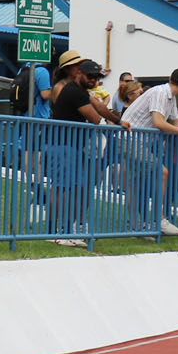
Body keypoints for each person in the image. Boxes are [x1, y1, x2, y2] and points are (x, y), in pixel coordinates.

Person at [118, 66, 178, 234]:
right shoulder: (160, 93)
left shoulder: (170, 97)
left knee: (134, 183)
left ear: (171, 78)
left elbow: (175, 121)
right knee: (162, 172)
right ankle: (160, 220)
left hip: (135, 141)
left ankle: (137, 227)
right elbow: (158, 122)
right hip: (132, 140)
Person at [46, 53, 103, 245]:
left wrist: (118, 120)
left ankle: (67, 228)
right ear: (71, 69)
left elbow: (96, 107)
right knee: (62, 187)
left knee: (71, 187)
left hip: (72, 144)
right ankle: (56, 231)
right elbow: (93, 115)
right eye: (77, 65)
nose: (80, 68)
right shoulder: (64, 88)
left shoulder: (79, 89)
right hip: (63, 143)